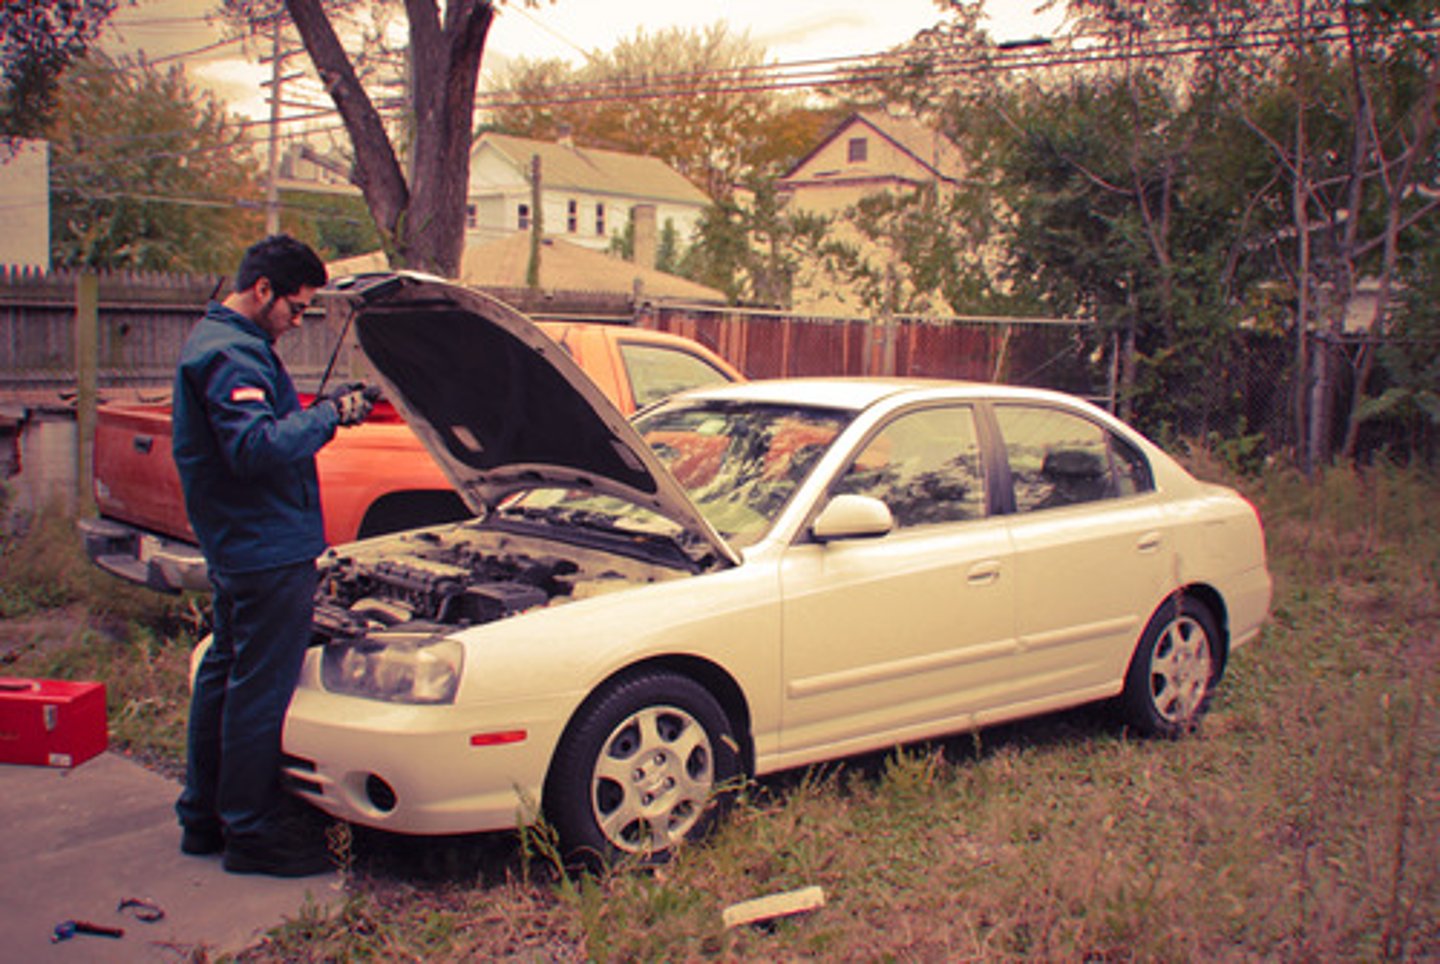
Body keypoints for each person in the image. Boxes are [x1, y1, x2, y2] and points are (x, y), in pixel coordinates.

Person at [172, 234, 375, 877]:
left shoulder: (223, 342)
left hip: (240, 545)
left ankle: (203, 818)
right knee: (259, 689)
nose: (296, 321)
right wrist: (330, 417)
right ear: (263, 290)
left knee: (224, 677)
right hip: (265, 550)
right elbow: (254, 448)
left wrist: (318, 411)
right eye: (295, 308)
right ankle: (253, 832)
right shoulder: (231, 353)